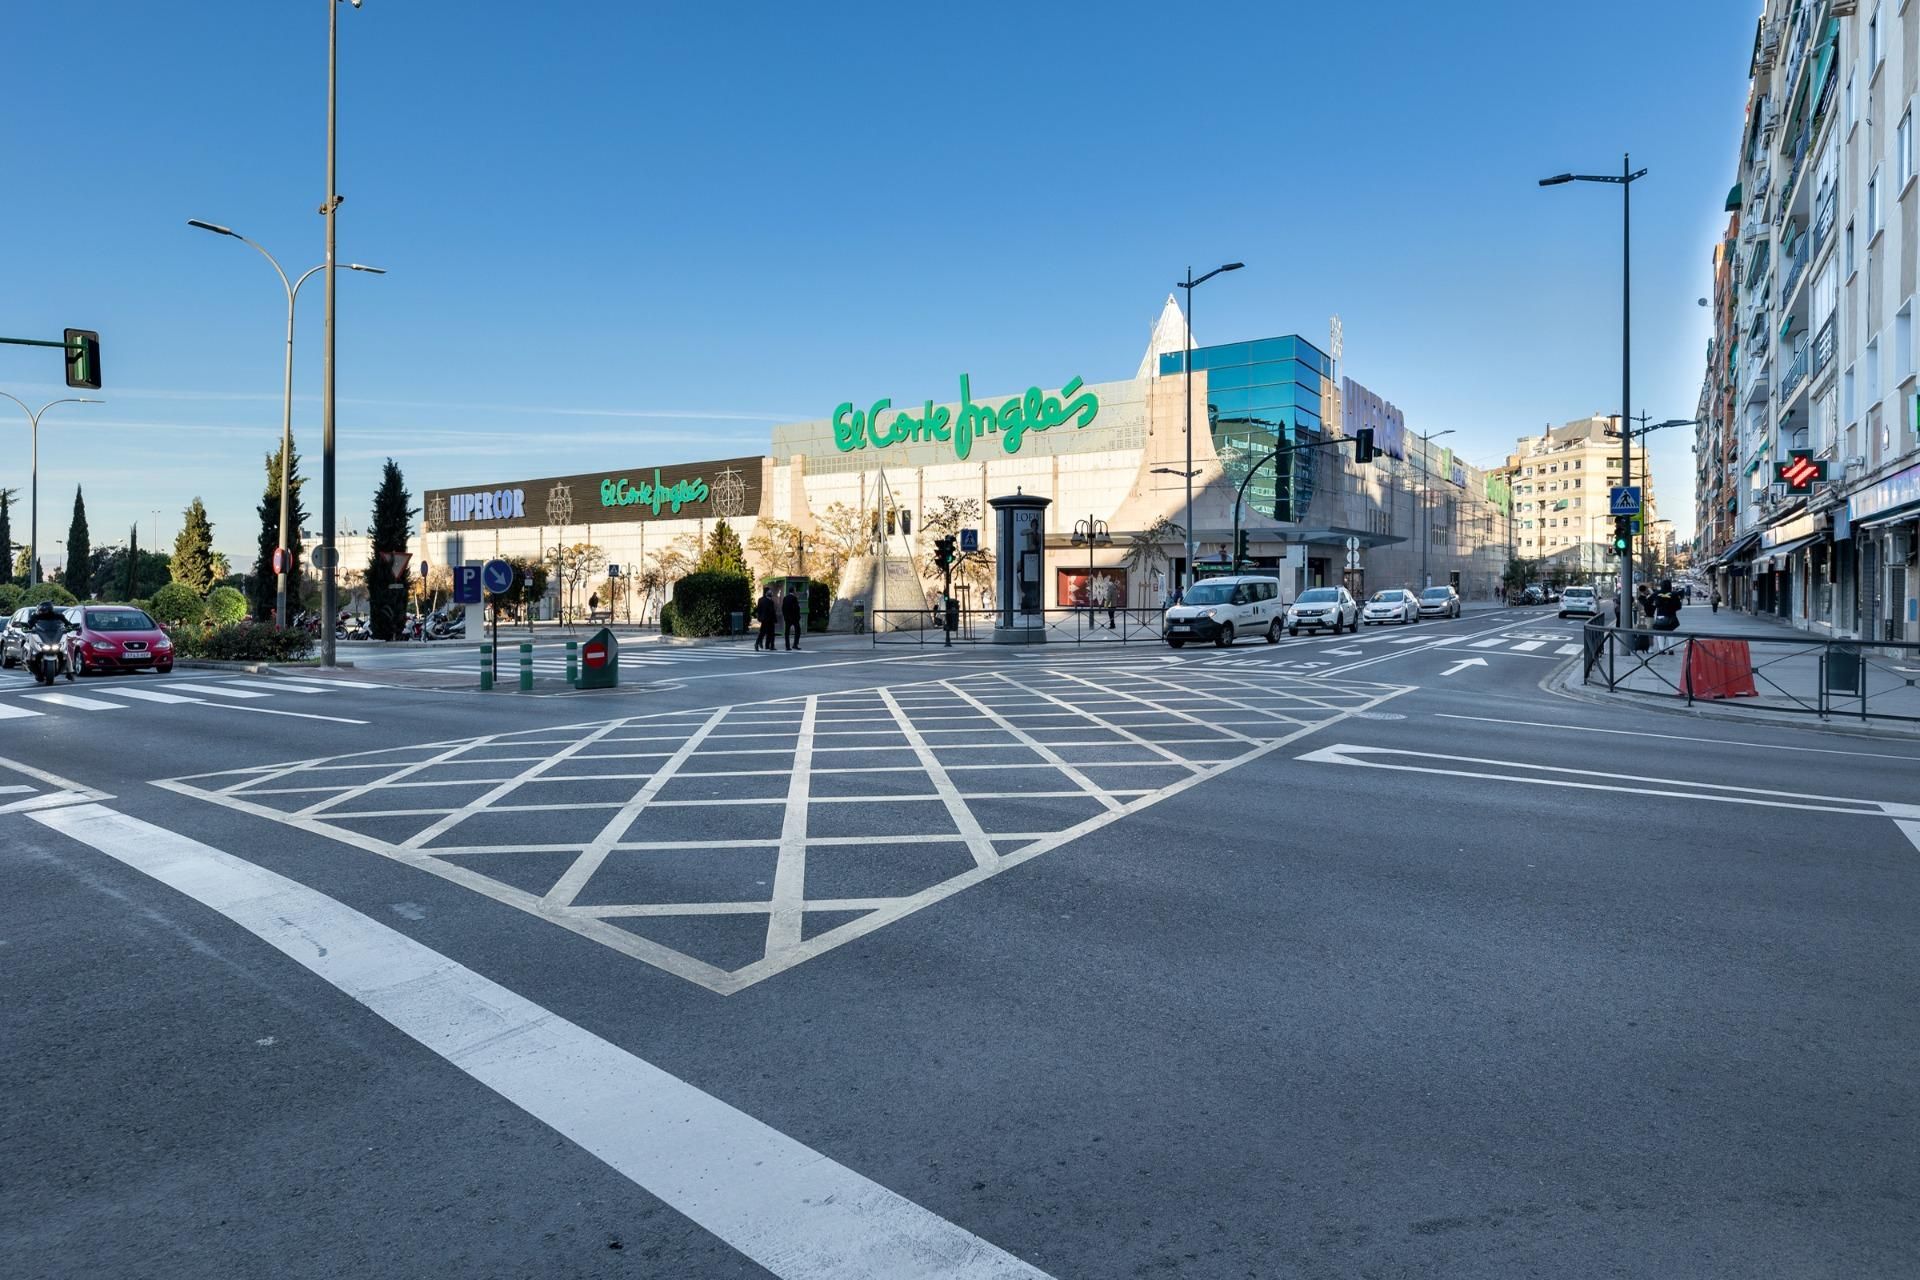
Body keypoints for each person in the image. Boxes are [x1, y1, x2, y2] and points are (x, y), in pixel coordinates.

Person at [1650, 577, 1683, 655]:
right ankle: (1671, 650)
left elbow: (1649, 601)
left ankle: (1661, 650)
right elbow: (1679, 606)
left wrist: (1656, 605)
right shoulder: (1674, 594)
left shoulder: (1657, 593)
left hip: (1660, 616)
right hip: (1671, 616)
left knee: (1660, 634)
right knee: (1670, 633)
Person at [754, 586, 777, 651]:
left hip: (764, 619)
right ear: (766, 592)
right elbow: (772, 611)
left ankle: (757, 643)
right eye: (769, 591)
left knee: (762, 632)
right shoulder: (770, 601)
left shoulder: (760, 600)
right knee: (771, 633)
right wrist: (775, 619)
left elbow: (759, 610)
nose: (771, 592)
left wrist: (759, 617)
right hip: (770, 619)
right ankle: (771, 646)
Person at [781, 586, 802, 650]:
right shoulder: (794, 598)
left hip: (787, 618)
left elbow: (783, 608)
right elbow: (796, 609)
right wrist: (798, 617)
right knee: (798, 631)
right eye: (795, 590)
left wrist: (785, 616)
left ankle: (787, 646)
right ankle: (795, 644)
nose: (796, 591)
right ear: (793, 591)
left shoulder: (785, 598)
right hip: (794, 618)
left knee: (787, 632)